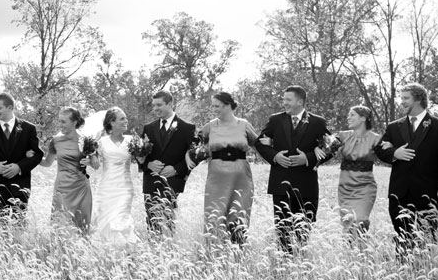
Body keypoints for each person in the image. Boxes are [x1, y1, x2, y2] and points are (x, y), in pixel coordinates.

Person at [375, 83, 438, 260]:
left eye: (406, 98)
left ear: (419, 99)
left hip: (428, 192)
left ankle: (424, 270)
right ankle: (403, 271)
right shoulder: (394, 126)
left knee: (427, 235)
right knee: (402, 234)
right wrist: (394, 152)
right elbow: (380, 149)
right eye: (401, 98)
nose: (401, 102)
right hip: (399, 192)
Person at [255, 85, 331, 254]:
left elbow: (331, 147)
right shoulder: (275, 120)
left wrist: (308, 158)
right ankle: (284, 265)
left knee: (303, 231)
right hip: (281, 184)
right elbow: (259, 142)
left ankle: (301, 265)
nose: (284, 103)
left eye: (288, 100)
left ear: (300, 101)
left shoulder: (318, 122)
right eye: (284, 99)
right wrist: (275, 156)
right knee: (282, 231)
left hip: (306, 186)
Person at [315, 105, 386, 245]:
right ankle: (350, 255)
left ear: (363, 118)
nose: (348, 117)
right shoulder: (342, 135)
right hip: (345, 187)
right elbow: (324, 147)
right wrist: (317, 148)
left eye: (352, 115)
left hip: (365, 187)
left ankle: (363, 250)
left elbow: (388, 157)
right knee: (348, 222)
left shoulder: (376, 139)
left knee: (360, 220)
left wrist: (391, 148)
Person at [194, 92, 259, 244]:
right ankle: (213, 254)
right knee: (214, 215)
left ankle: (237, 253)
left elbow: (260, 146)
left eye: (217, 106)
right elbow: (194, 147)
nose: (214, 109)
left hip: (241, 178)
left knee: (239, 214)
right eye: (213, 106)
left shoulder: (243, 124)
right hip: (216, 178)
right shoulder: (210, 126)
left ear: (228, 105)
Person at [0, 93, 43, 222]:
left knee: (19, 224)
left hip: (20, 184)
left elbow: (38, 154)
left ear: (10, 107)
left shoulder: (28, 128)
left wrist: (19, 167)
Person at [139, 91, 196, 236]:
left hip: (172, 182)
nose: (155, 108)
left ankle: (169, 251)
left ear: (170, 104)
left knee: (168, 221)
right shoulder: (148, 128)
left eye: (159, 105)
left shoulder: (187, 128)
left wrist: (177, 169)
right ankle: (153, 252)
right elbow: (139, 155)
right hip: (151, 181)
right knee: (152, 223)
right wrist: (148, 165)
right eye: (154, 105)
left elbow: (194, 155)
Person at [40, 107, 93, 232]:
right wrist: (33, 157)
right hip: (62, 188)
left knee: (82, 225)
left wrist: (90, 161)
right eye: (59, 121)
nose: (60, 124)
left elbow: (96, 164)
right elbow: (47, 162)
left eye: (63, 121)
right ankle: (59, 250)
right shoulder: (56, 140)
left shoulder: (86, 140)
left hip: (81, 188)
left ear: (74, 122)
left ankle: (82, 250)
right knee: (59, 224)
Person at [92, 107, 138, 246]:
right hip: (106, 187)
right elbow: (95, 163)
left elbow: (141, 160)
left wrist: (142, 153)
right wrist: (91, 156)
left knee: (121, 217)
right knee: (105, 219)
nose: (126, 121)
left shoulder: (132, 140)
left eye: (126, 118)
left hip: (124, 187)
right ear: (112, 122)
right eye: (122, 118)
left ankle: (125, 249)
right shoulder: (101, 142)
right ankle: (108, 253)